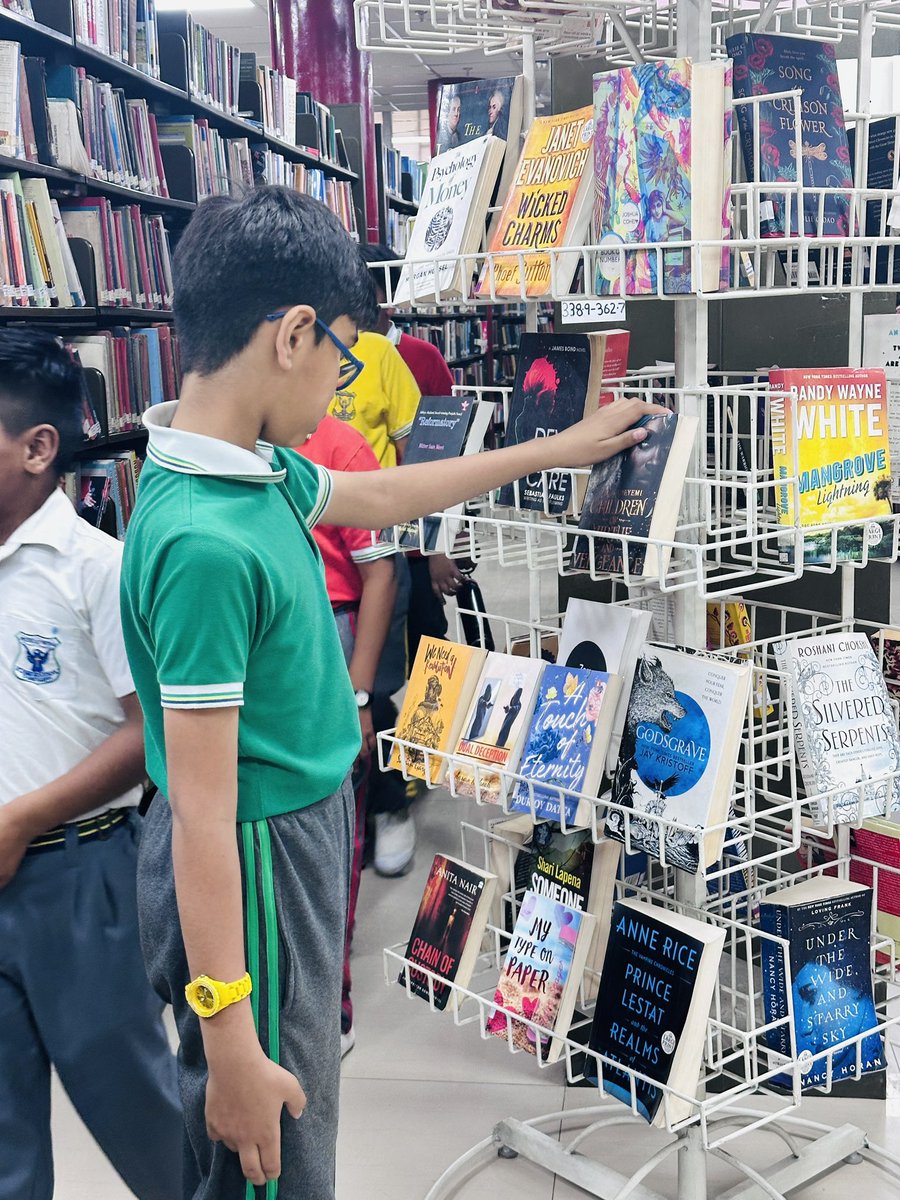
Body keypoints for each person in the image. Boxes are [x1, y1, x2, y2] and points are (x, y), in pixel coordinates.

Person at [119, 183, 661, 1199]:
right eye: (342, 358)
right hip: (256, 860)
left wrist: (549, 451)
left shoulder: (250, 464)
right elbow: (199, 809)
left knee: (300, 1115)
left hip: (293, 833)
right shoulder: (202, 539)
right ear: (291, 336)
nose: (341, 382)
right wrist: (229, 1032)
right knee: (273, 1146)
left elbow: (375, 496)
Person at [0, 329, 181, 1200]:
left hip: (82, 878)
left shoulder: (97, 571)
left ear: (39, 449)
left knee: (140, 1109)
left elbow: (151, 736)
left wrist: (24, 817)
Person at [296, 414, 397, 1059]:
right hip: (261, 626)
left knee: (336, 828)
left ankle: (332, 1001)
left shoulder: (341, 445)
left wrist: (359, 692)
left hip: (332, 631)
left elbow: (381, 574)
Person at [327, 313, 420, 876]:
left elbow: (416, 452)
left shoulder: (381, 361)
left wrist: (426, 540)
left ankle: (389, 805)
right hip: (318, 595)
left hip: (375, 556)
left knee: (377, 696)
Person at [360, 242, 469, 665]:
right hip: (362, 539)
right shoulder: (333, 357)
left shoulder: (423, 358)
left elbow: (441, 459)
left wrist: (437, 549)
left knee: (430, 652)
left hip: (415, 545)